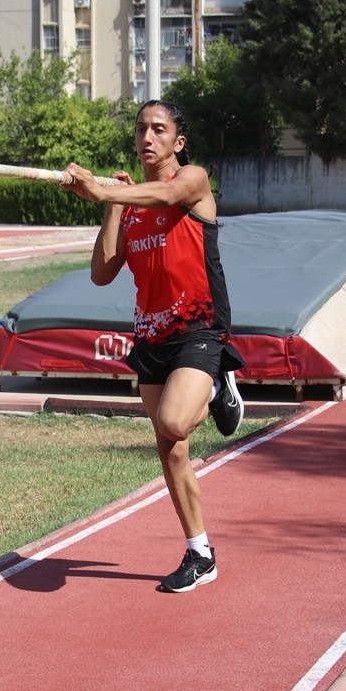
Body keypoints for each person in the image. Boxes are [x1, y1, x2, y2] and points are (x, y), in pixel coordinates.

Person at [60, 99, 245, 593]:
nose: (147, 137)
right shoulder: (132, 202)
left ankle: (216, 381)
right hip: (151, 334)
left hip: (198, 324)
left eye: (158, 130)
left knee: (172, 420)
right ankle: (199, 552)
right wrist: (114, 204)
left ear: (177, 142)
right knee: (172, 450)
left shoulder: (193, 182)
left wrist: (100, 188)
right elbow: (102, 274)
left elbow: (166, 197)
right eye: (141, 128)